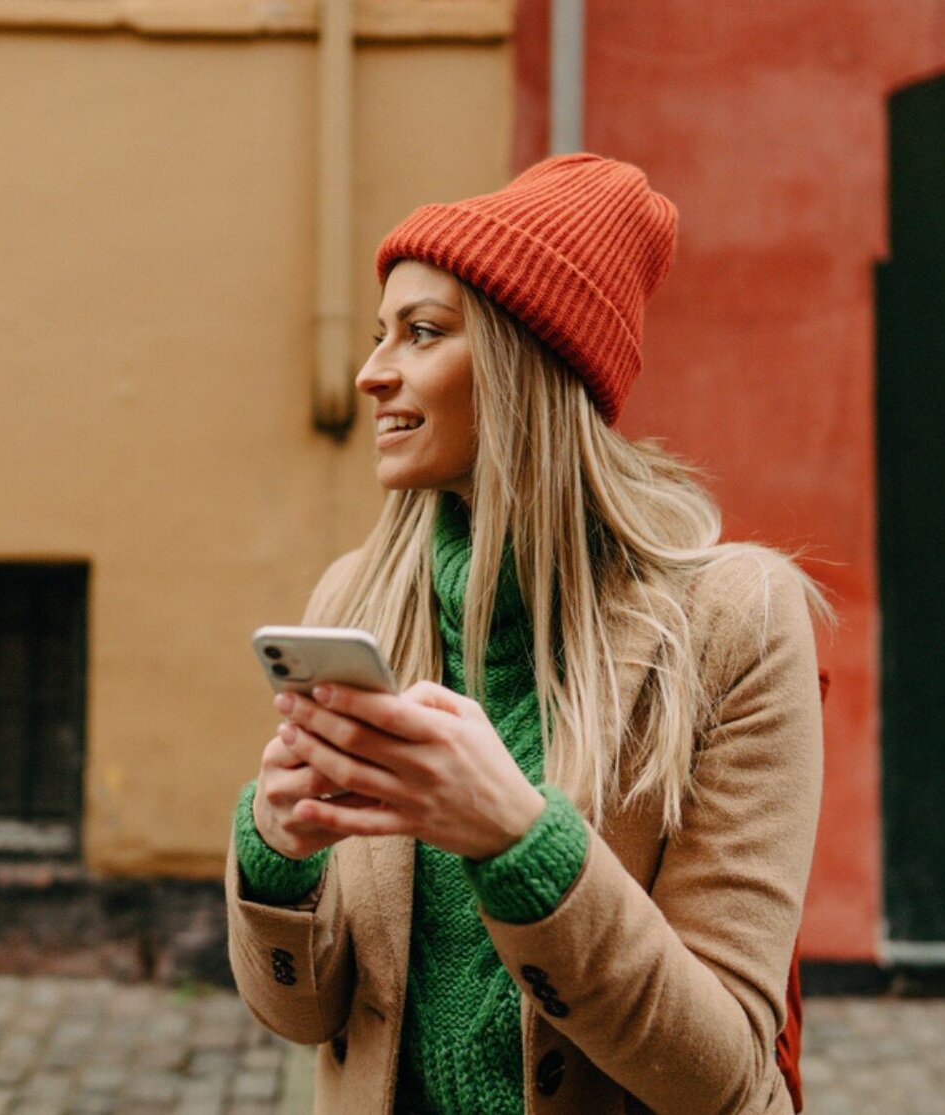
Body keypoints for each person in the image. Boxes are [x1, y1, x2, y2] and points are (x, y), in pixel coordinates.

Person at [223, 153, 827, 1114]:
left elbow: (723, 1078)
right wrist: (275, 854)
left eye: (421, 334)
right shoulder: (357, 599)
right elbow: (304, 1019)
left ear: (524, 363)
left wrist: (521, 841)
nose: (373, 371)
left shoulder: (734, 625)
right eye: (381, 334)